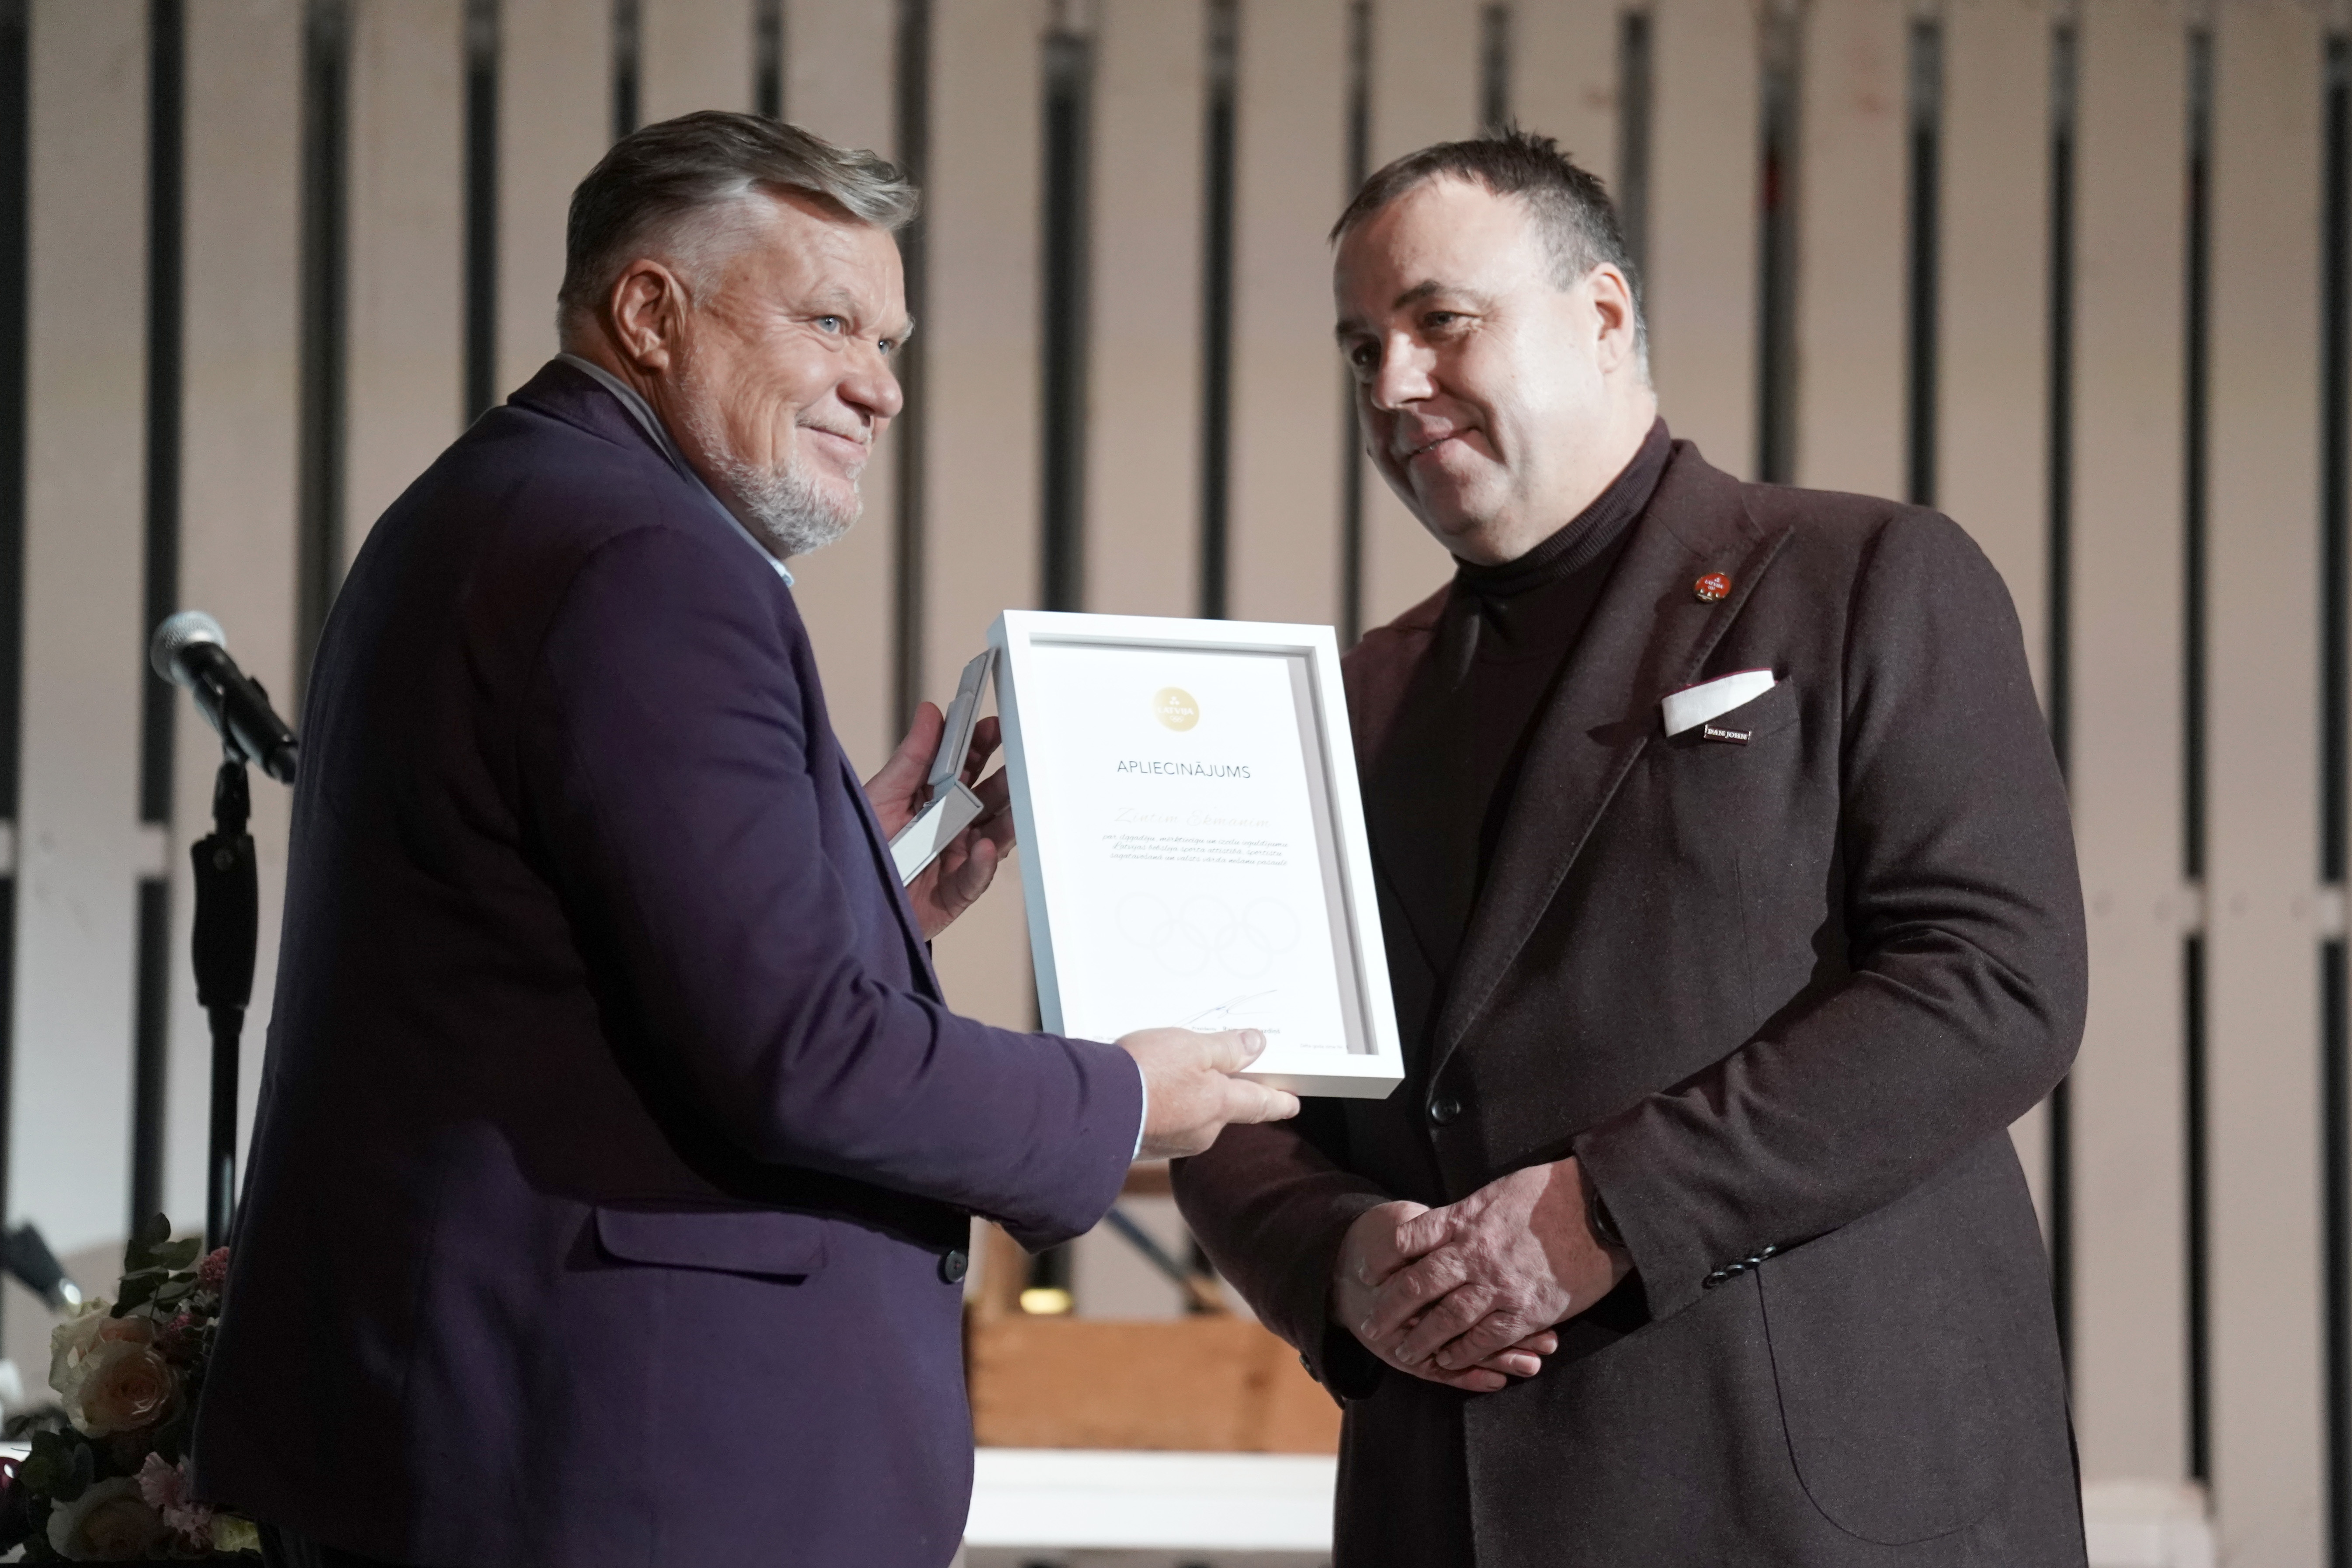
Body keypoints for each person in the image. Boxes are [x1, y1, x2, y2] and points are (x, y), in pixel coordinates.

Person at [190, 112, 1297, 1568]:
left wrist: (864, 884)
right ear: (651, 313)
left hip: (494, 1439)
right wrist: (1116, 1100)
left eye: (890, 342)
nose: (879, 387)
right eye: (831, 323)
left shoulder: (491, 507)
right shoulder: (647, 560)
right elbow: (800, 1053)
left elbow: (579, 958)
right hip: (621, 1470)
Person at [1172, 130, 2088, 1566]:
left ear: (1602, 315)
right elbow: (1232, 1084)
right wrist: (1336, 1261)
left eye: (1439, 321)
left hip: (1802, 1499)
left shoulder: (1864, 577)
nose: (1394, 384)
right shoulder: (1345, 702)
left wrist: (1610, 1206)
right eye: (1362, 349)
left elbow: (1993, 983)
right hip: (1454, 1502)